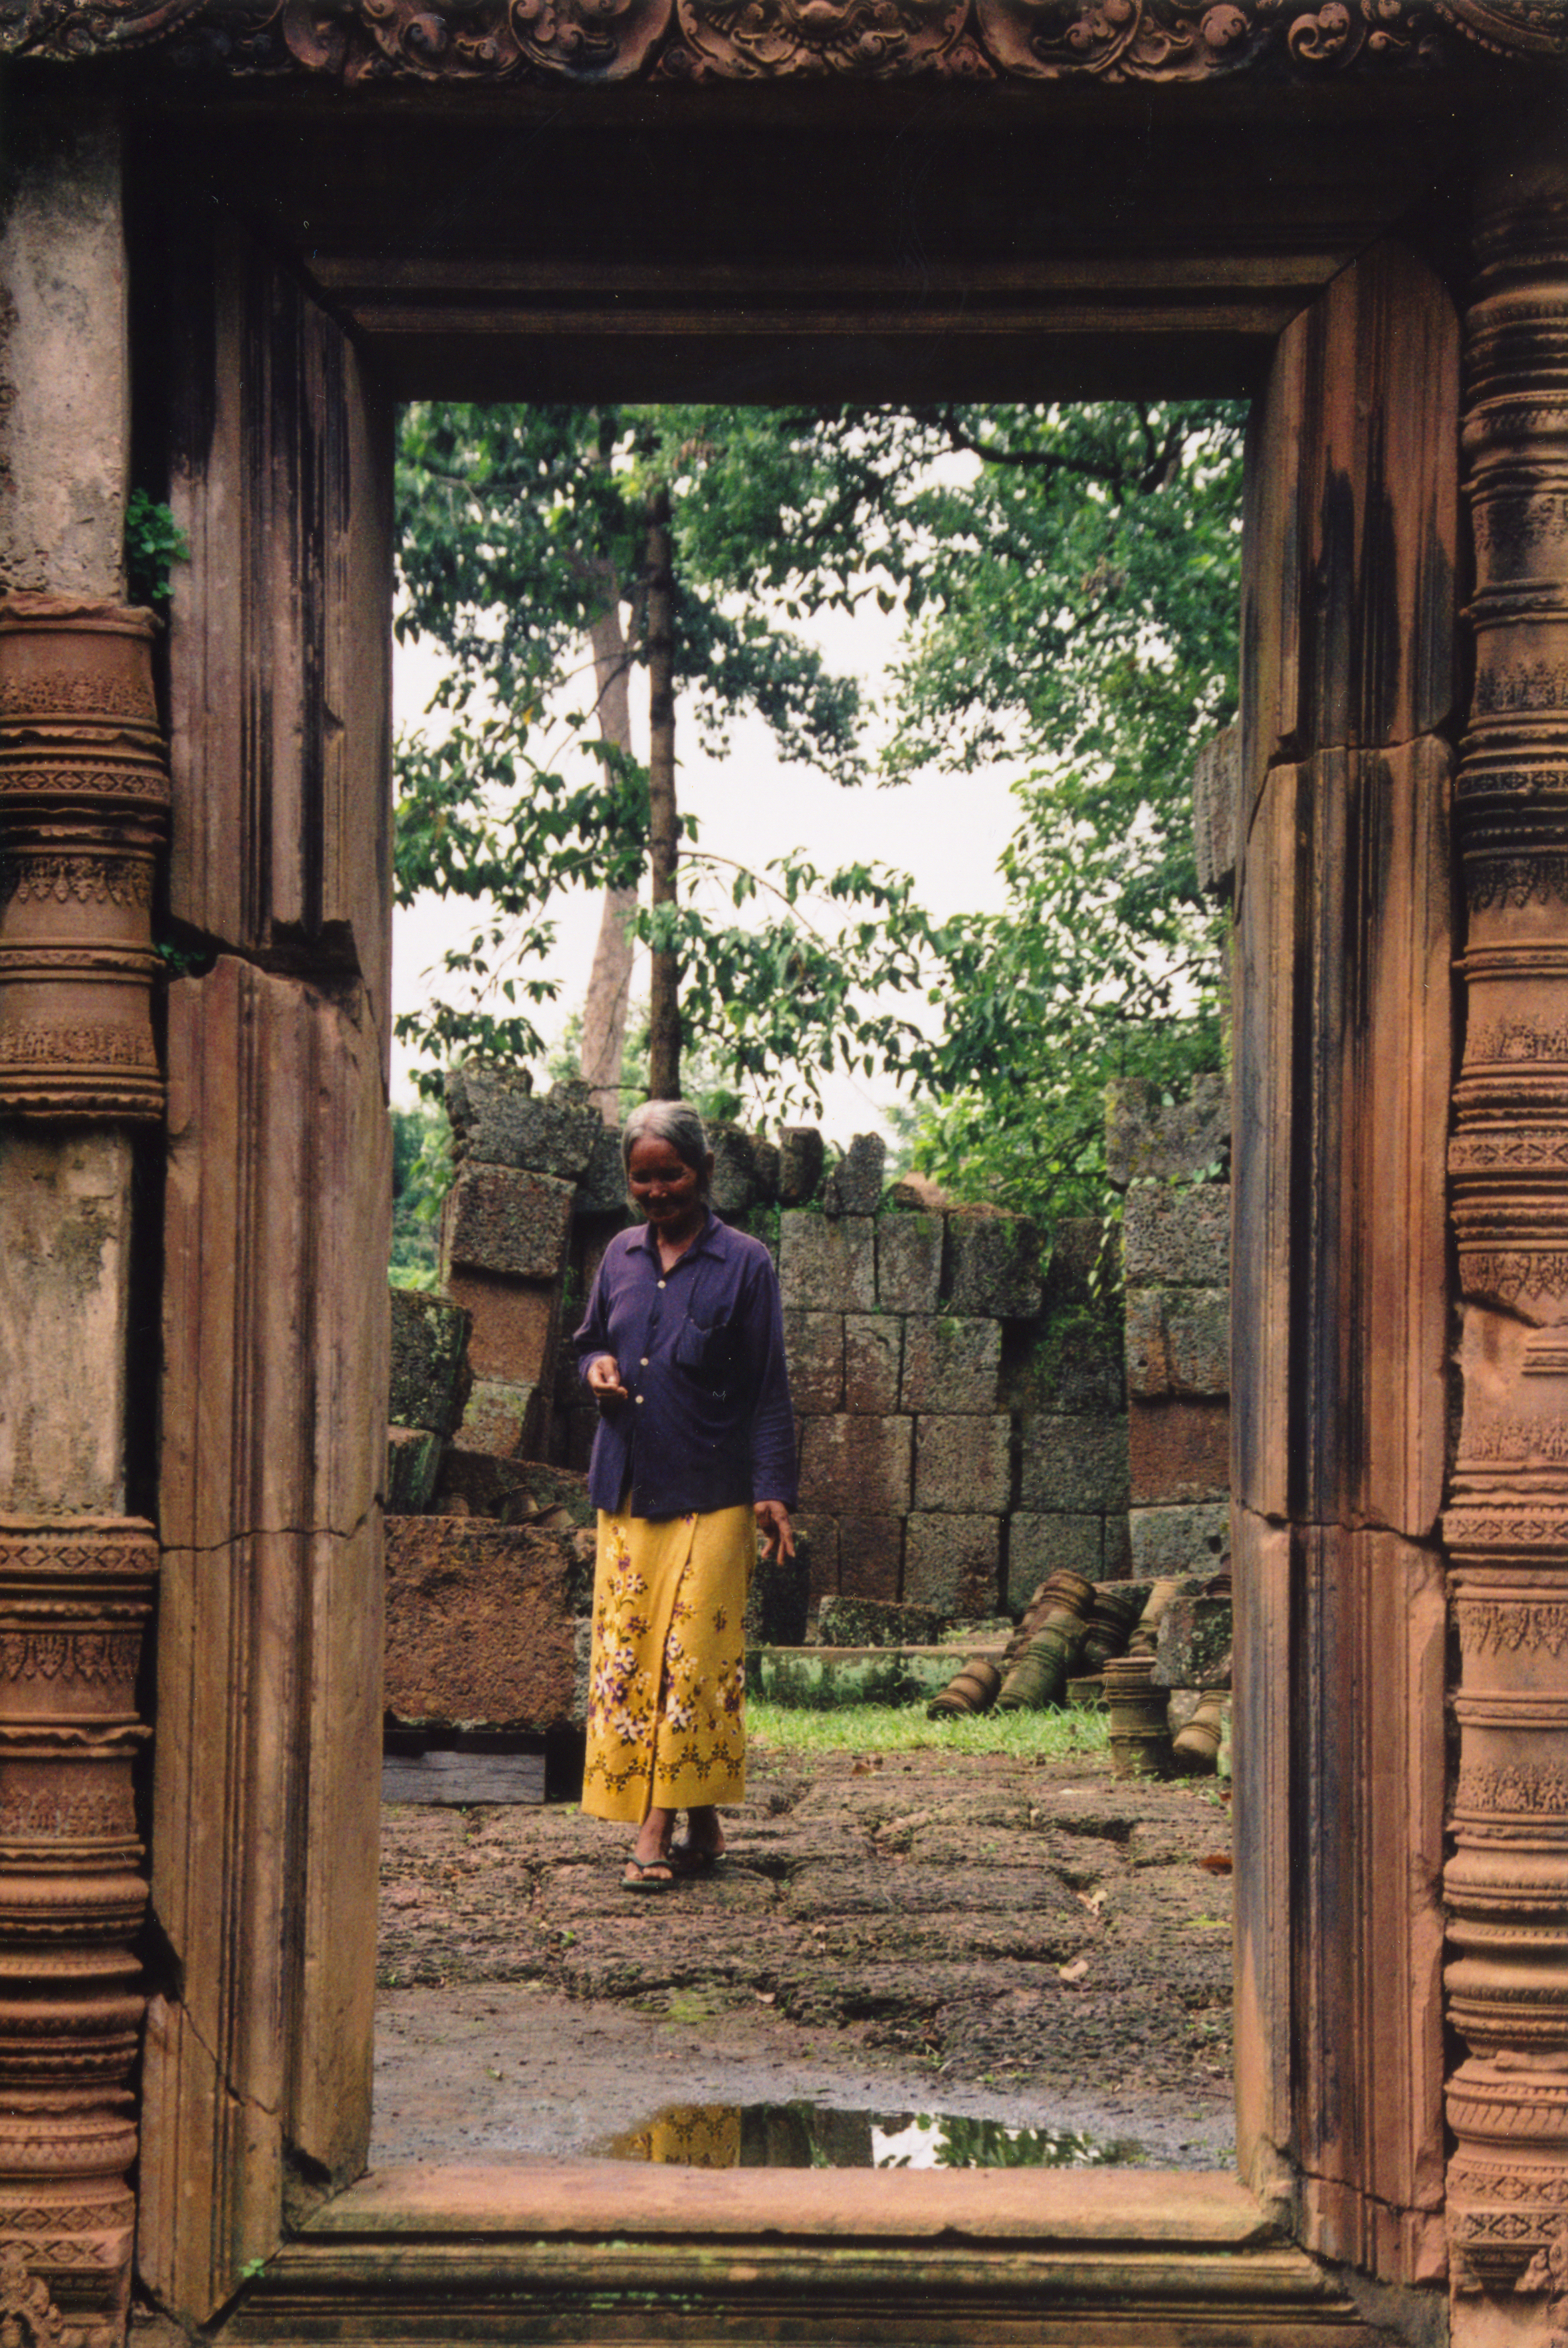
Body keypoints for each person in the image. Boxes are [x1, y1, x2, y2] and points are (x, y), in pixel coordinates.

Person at [574, 1099, 796, 1890]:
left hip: (716, 1492)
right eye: (642, 1177)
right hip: (629, 1488)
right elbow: (592, 1340)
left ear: (701, 1172)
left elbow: (768, 1386)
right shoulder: (620, 1256)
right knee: (634, 1660)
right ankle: (701, 1820)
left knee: (691, 1663)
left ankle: (654, 1829)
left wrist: (774, 1489)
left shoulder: (746, 1263)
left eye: (671, 1174)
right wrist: (596, 1368)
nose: (656, 1190)